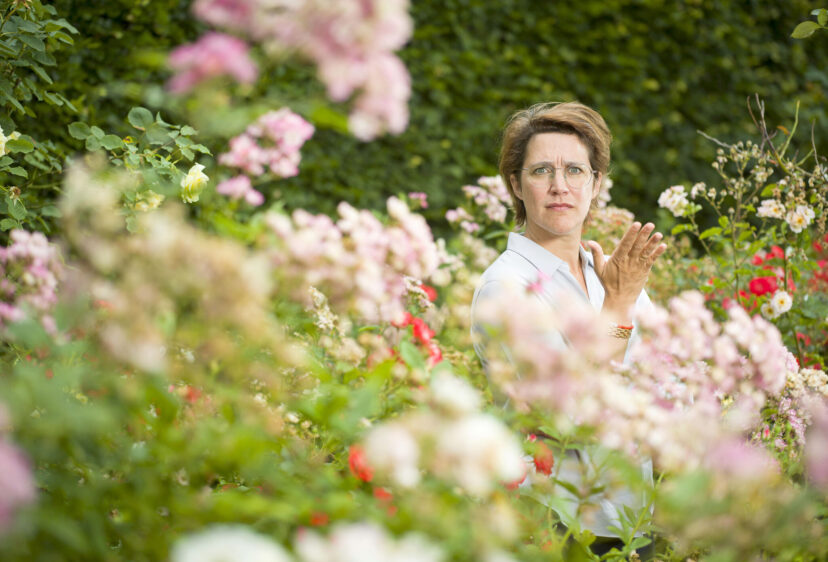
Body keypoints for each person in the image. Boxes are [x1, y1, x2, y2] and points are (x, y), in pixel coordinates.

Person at [470, 101, 667, 555]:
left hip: (634, 525)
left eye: (575, 170)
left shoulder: (611, 275)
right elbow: (572, 418)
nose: (560, 186)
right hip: (558, 530)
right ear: (516, 184)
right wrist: (618, 307)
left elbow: (667, 384)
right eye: (542, 171)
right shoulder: (506, 288)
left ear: (596, 184)